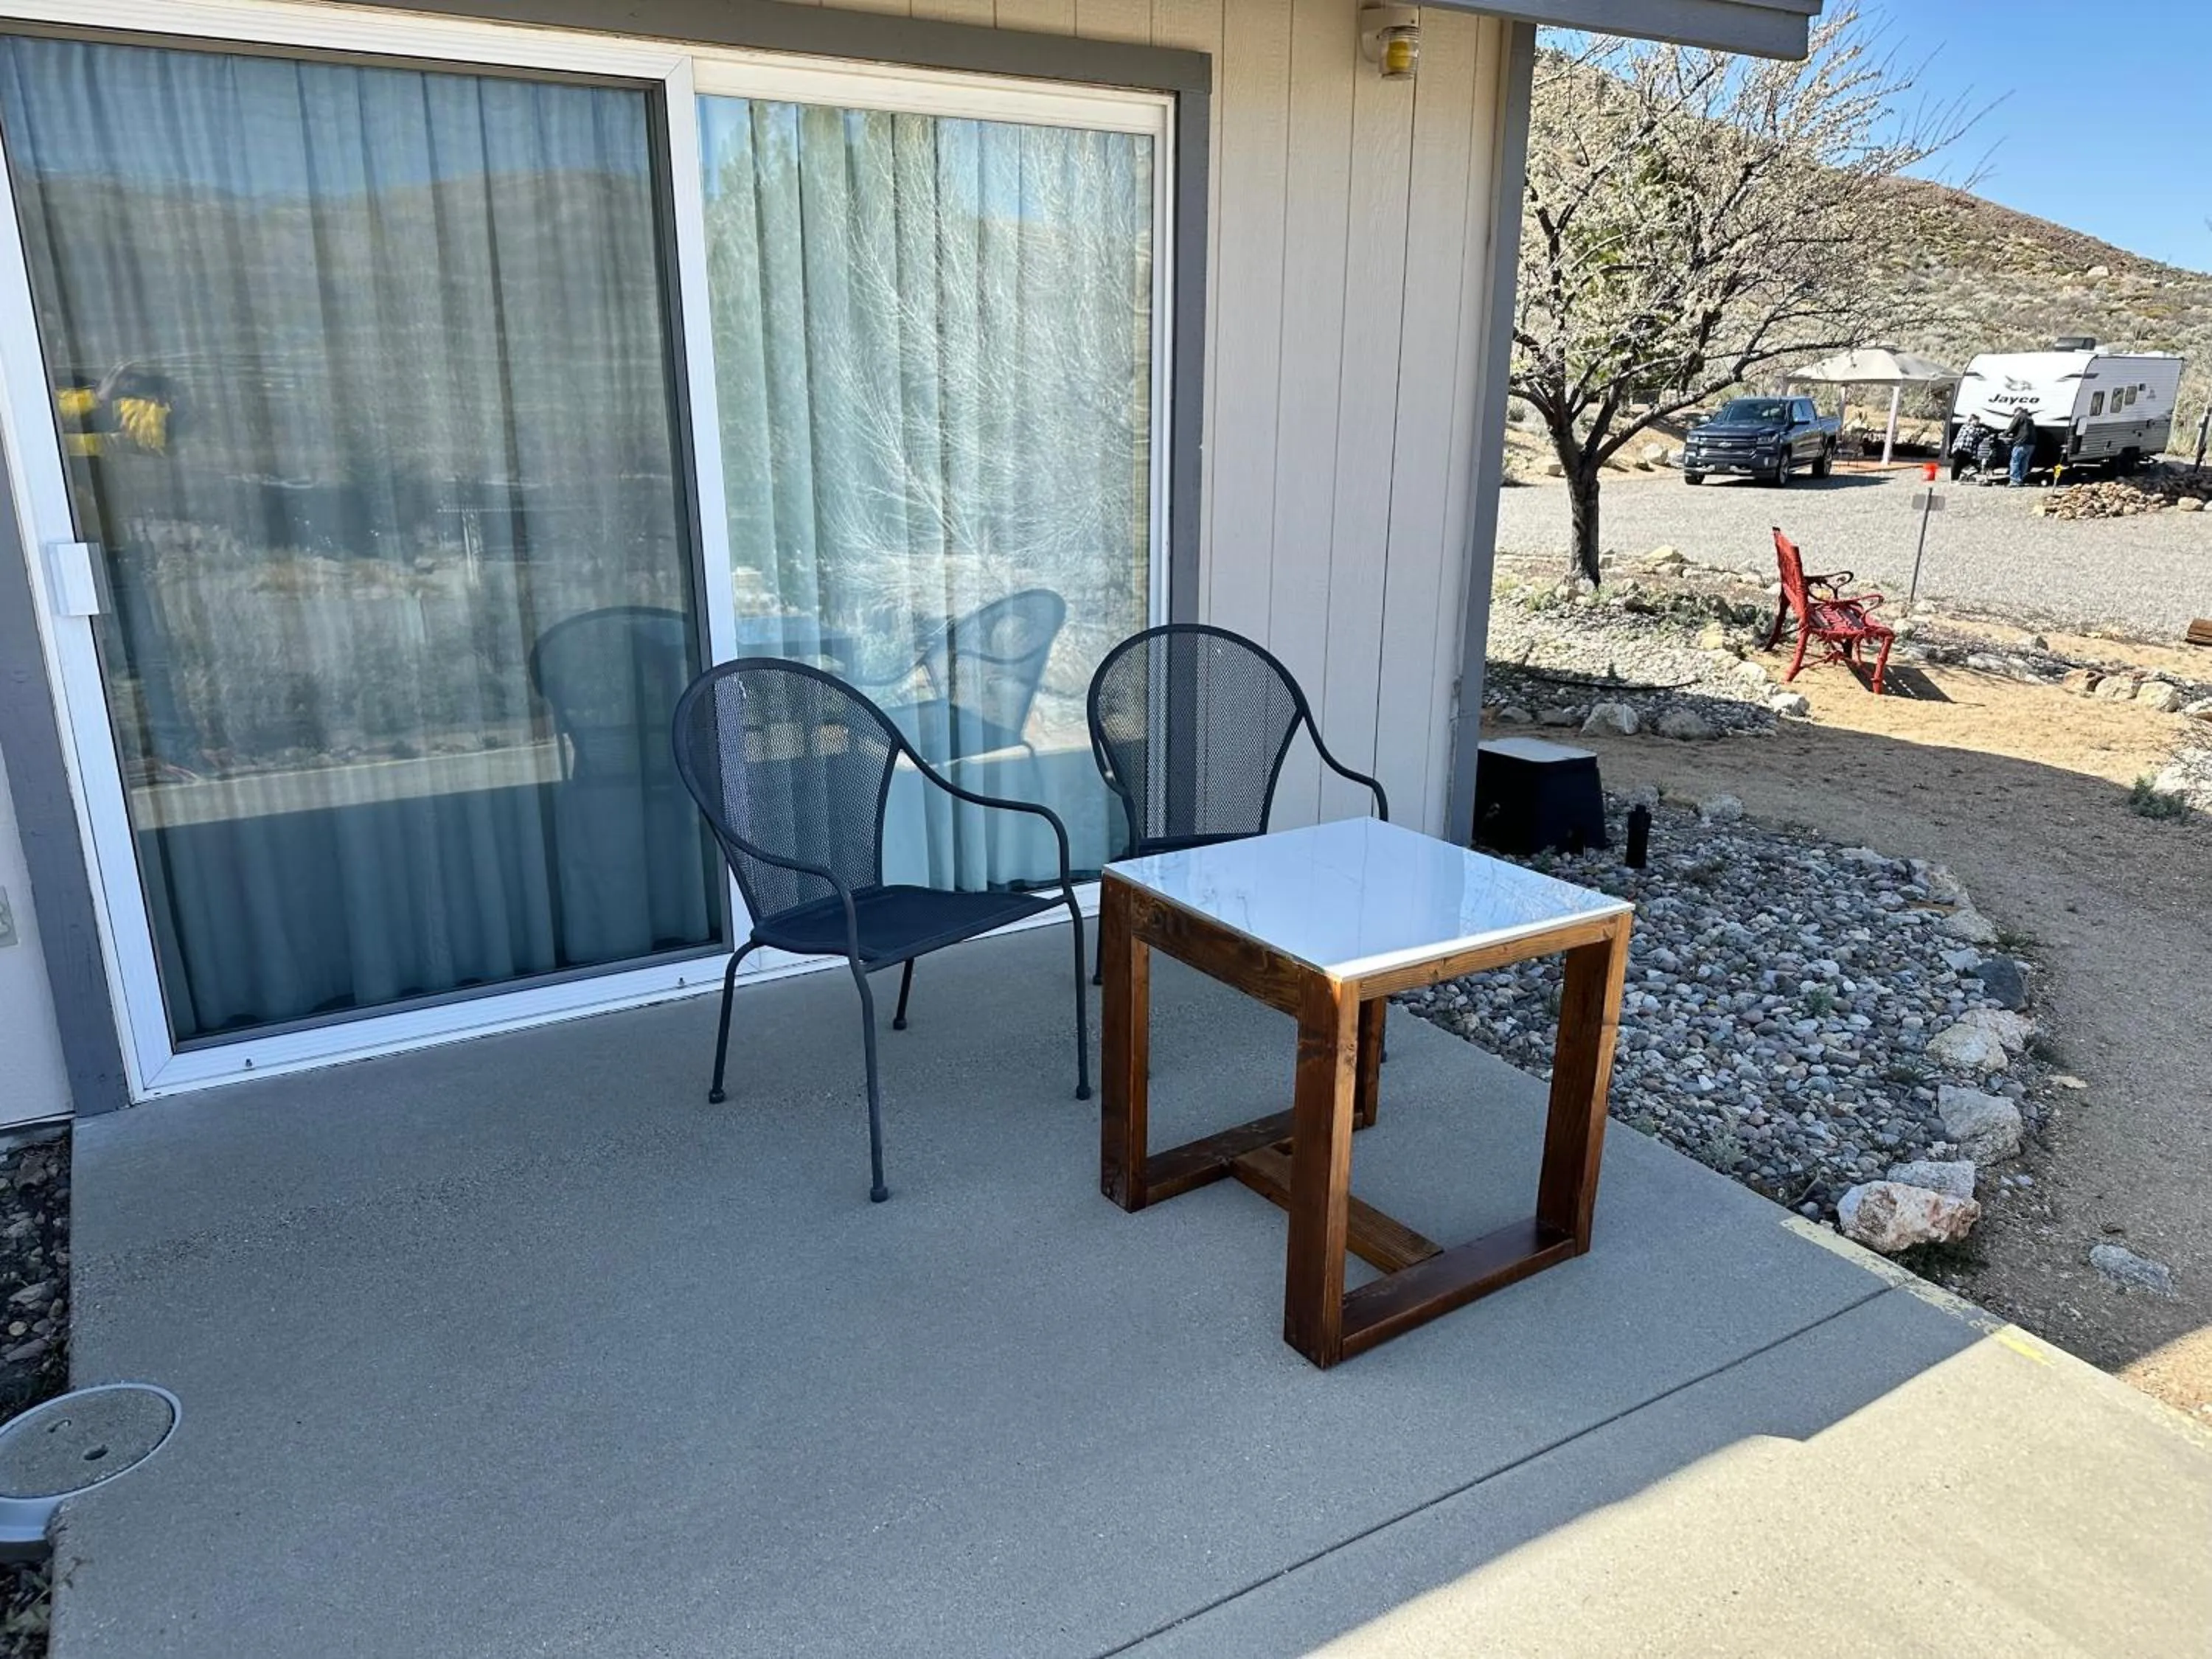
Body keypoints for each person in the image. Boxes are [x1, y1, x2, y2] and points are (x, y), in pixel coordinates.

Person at [2005, 406, 2037, 487]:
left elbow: (2012, 427)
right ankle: (2021, 480)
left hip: (2022, 443)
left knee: (2015, 461)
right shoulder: (2030, 418)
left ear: (2017, 412)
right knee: (2024, 462)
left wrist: (2004, 434)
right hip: (2031, 444)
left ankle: (2014, 481)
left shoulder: (2020, 416)